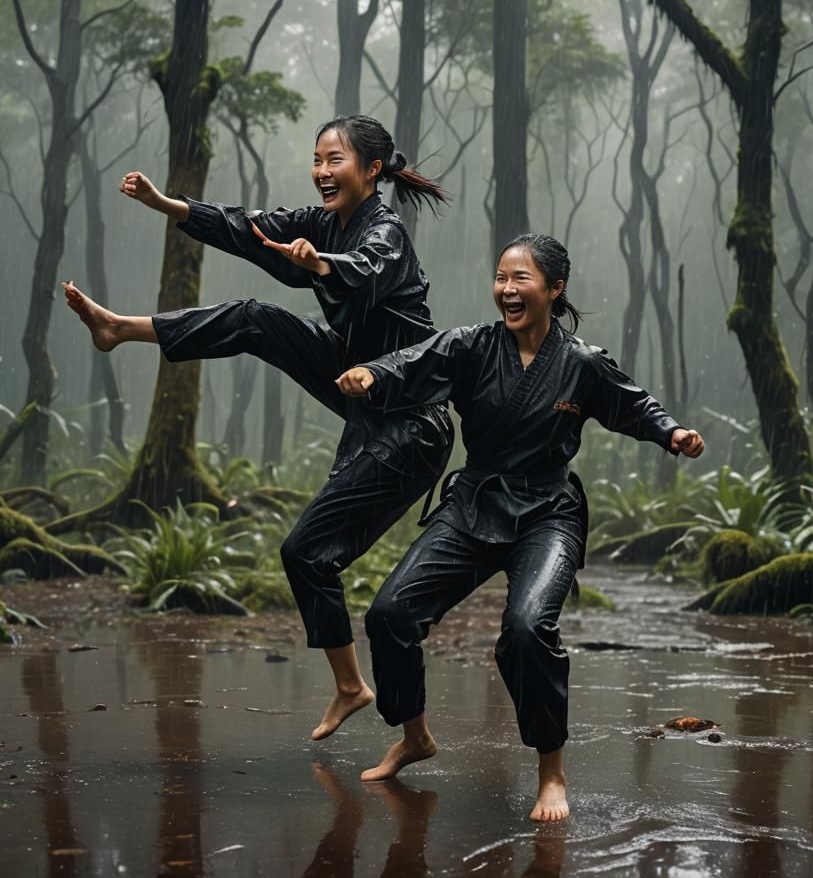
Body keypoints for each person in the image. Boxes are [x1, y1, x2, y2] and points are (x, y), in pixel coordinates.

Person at [63, 115, 454, 741]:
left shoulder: (385, 232)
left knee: (306, 554)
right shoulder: (320, 220)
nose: (322, 172)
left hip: (411, 416)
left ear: (373, 170)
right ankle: (121, 329)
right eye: (318, 160)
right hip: (357, 388)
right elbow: (246, 228)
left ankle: (361, 692)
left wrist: (323, 265)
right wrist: (168, 203)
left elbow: (365, 268)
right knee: (255, 318)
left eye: (336, 161)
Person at [335, 233, 704, 821]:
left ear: (555, 289)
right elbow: (415, 361)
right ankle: (415, 736)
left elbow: (633, 404)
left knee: (529, 629)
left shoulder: (581, 363)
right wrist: (373, 375)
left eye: (521, 279)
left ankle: (552, 772)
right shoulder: (471, 347)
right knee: (390, 615)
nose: (506, 289)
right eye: (501, 278)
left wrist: (671, 432)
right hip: (474, 503)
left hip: (548, 512)